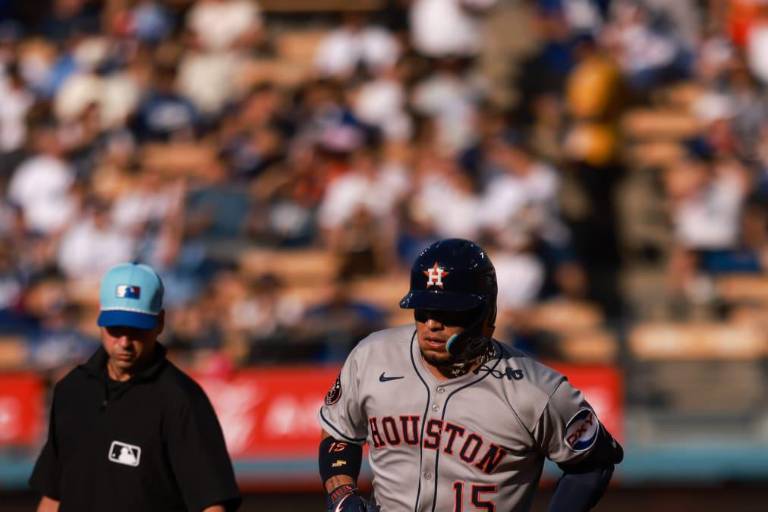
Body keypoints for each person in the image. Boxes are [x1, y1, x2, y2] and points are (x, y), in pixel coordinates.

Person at [317, 238, 623, 512]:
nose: (432, 324)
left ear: (485, 314)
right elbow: (339, 432)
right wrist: (342, 495)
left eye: (448, 312)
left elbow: (594, 463)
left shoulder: (537, 389)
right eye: (423, 310)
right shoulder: (372, 356)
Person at [29, 262, 241, 512]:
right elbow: (54, 495)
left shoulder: (180, 399)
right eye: (116, 328)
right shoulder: (72, 390)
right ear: (100, 319)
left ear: (159, 323)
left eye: (136, 329)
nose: (125, 342)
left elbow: (212, 504)